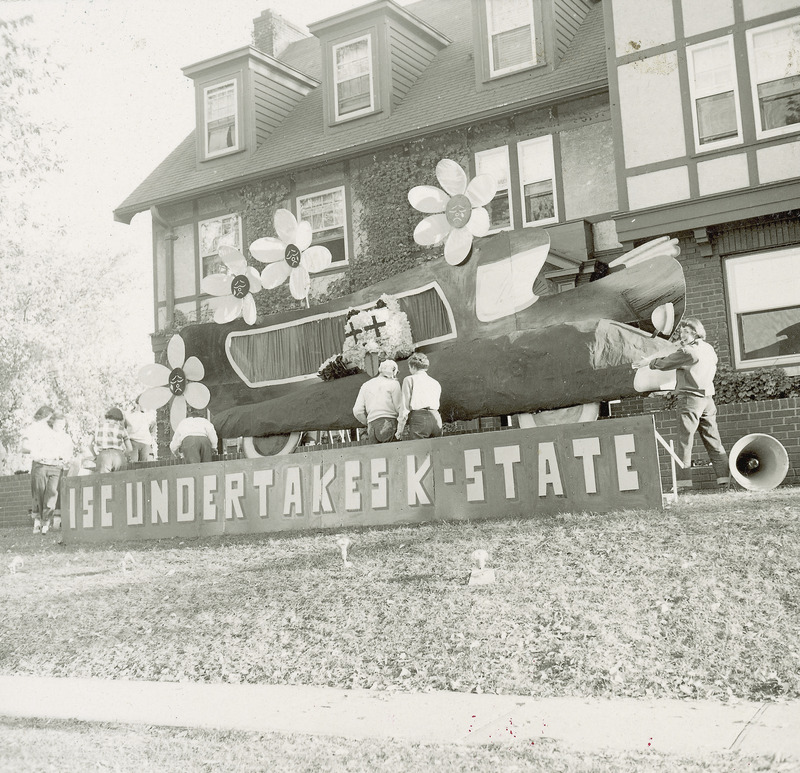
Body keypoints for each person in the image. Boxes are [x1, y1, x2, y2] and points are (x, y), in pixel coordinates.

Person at [634, 317, 729, 490]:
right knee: (714, 442)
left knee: (684, 442)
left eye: (686, 331)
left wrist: (648, 362)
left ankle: (683, 485)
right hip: (708, 399)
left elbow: (665, 363)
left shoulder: (688, 352)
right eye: (681, 331)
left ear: (695, 332)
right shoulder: (708, 349)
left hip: (690, 399)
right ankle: (725, 480)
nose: (682, 334)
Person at [20, 405, 58, 533]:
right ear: (45, 416)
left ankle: (45, 524)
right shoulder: (32, 429)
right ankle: (38, 523)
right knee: (39, 494)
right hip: (40, 463)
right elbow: (24, 447)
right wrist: (37, 451)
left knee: (50, 494)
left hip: (53, 464)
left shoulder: (53, 429)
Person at [352, 359, 403, 443]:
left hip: (372, 426)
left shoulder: (365, 385)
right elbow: (399, 407)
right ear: (394, 372)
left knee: (377, 455)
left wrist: (367, 422)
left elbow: (357, 411)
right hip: (389, 422)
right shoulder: (393, 383)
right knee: (394, 454)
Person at [396, 352, 443, 440]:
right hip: (436, 418)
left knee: (419, 451)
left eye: (409, 367)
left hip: (419, 419)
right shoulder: (435, 382)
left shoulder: (409, 379)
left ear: (413, 367)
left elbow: (404, 407)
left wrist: (400, 429)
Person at [48, 412, 74, 531]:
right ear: (53, 423)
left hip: (62, 467)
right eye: (58, 423)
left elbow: (69, 452)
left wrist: (66, 459)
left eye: (62, 424)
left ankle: (59, 520)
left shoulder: (66, 437)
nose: (61, 426)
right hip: (49, 466)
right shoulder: (48, 436)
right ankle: (47, 521)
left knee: (60, 491)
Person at [92, 407, 132, 473]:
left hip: (103, 456)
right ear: (117, 419)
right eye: (117, 421)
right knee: (120, 481)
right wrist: (123, 455)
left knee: (103, 481)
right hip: (119, 456)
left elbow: (89, 444)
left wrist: (95, 455)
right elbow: (130, 448)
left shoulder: (97, 427)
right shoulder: (121, 429)